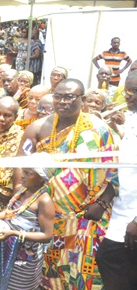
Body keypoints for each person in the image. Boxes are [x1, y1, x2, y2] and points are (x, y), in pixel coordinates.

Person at [17, 78, 119, 289]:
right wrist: (23, 200)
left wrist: (101, 204)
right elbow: (20, 165)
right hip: (49, 216)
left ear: (82, 100)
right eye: (58, 96)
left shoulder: (99, 130)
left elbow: (115, 172)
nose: (63, 101)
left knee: (84, 273)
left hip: (88, 217)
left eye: (70, 97)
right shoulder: (37, 127)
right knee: (49, 273)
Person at [96, 70, 137, 290]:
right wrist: (104, 201)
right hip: (122, 209)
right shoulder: (132, 119)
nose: (128, 96)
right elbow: (124, 167)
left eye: (135, 91)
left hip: (133, 218)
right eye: (127, 90)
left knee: (108, 259)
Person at [0, 163, 55, 290]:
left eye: (28, 173)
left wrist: (14, 234)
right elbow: (10, 213)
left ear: (41, 178)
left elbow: (47, 236)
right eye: (23, 172)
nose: (22, 176)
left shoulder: (44, 202)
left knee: (16, 286)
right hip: (5, 249)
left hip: (24, 255)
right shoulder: (21, 190)